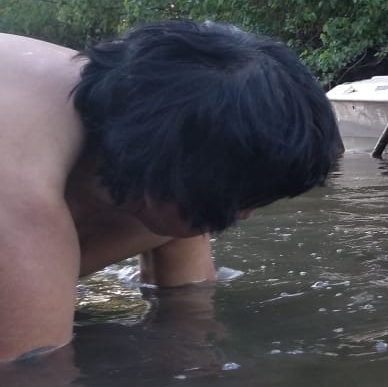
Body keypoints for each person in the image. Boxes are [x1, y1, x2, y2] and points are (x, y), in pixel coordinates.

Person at [0, 20, 342, 363]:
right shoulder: (19, 193)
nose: (245, 215)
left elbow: (189, 314)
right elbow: (31, 382)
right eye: (241, 201)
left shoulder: (166, 125)